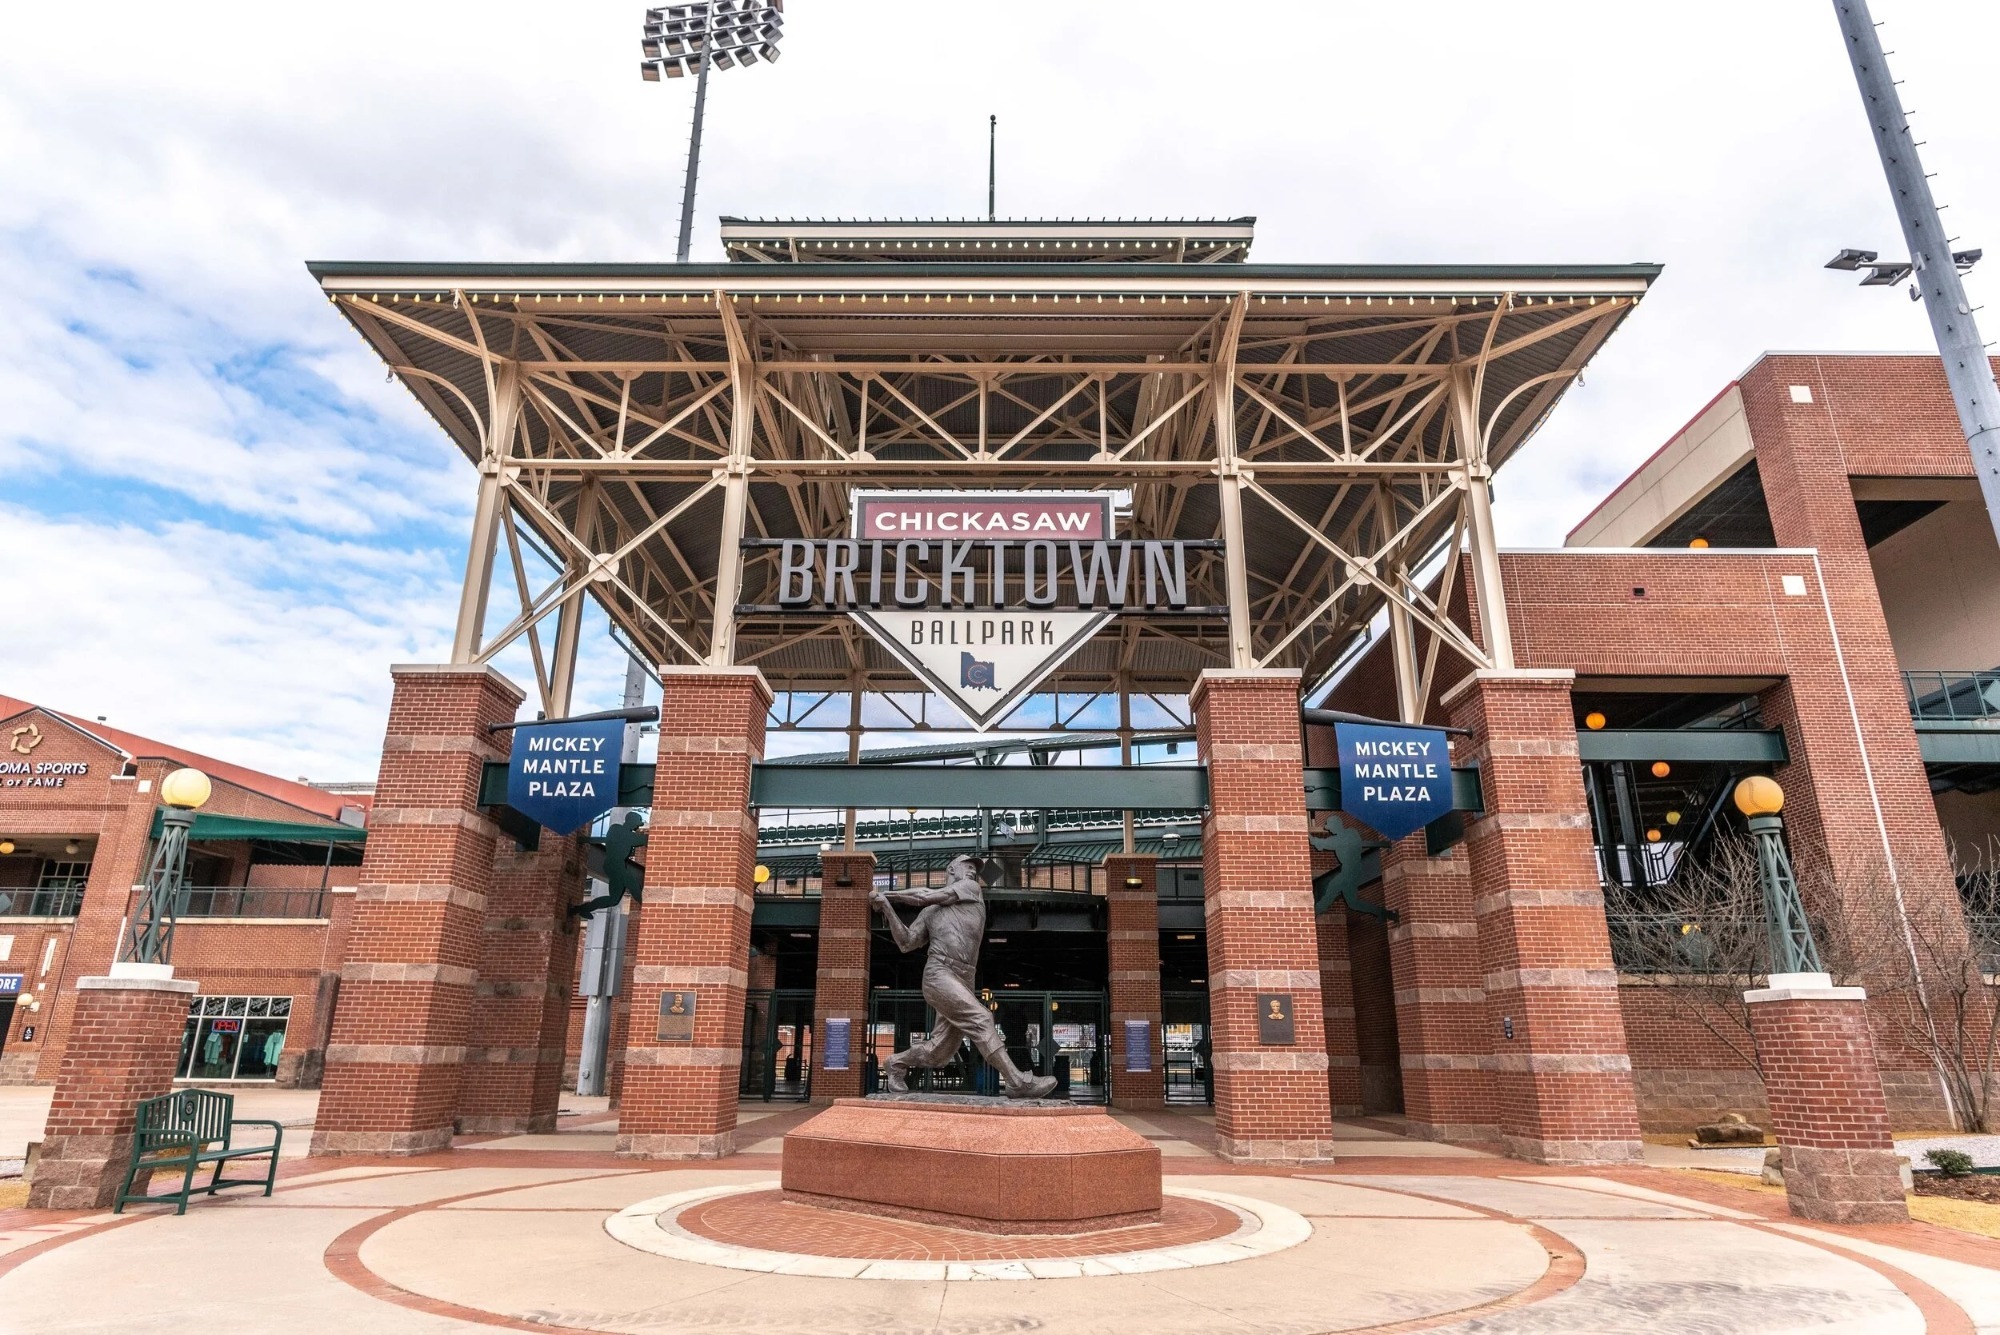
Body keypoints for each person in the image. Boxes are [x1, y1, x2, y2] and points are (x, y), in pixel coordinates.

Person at [871, 856, 1057, 1099]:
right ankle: (1017, 1081)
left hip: (965, 976)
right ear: (951, 869)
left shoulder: (971, 889)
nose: (972, 872)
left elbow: (925, 896)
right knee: (982, 1018)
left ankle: (895, 1063)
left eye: (975, 869)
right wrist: (886, 908)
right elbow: (906, 943)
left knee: (939, 1053)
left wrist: (888, 896)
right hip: (939, 972)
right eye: (967, 866)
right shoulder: (929, 913)